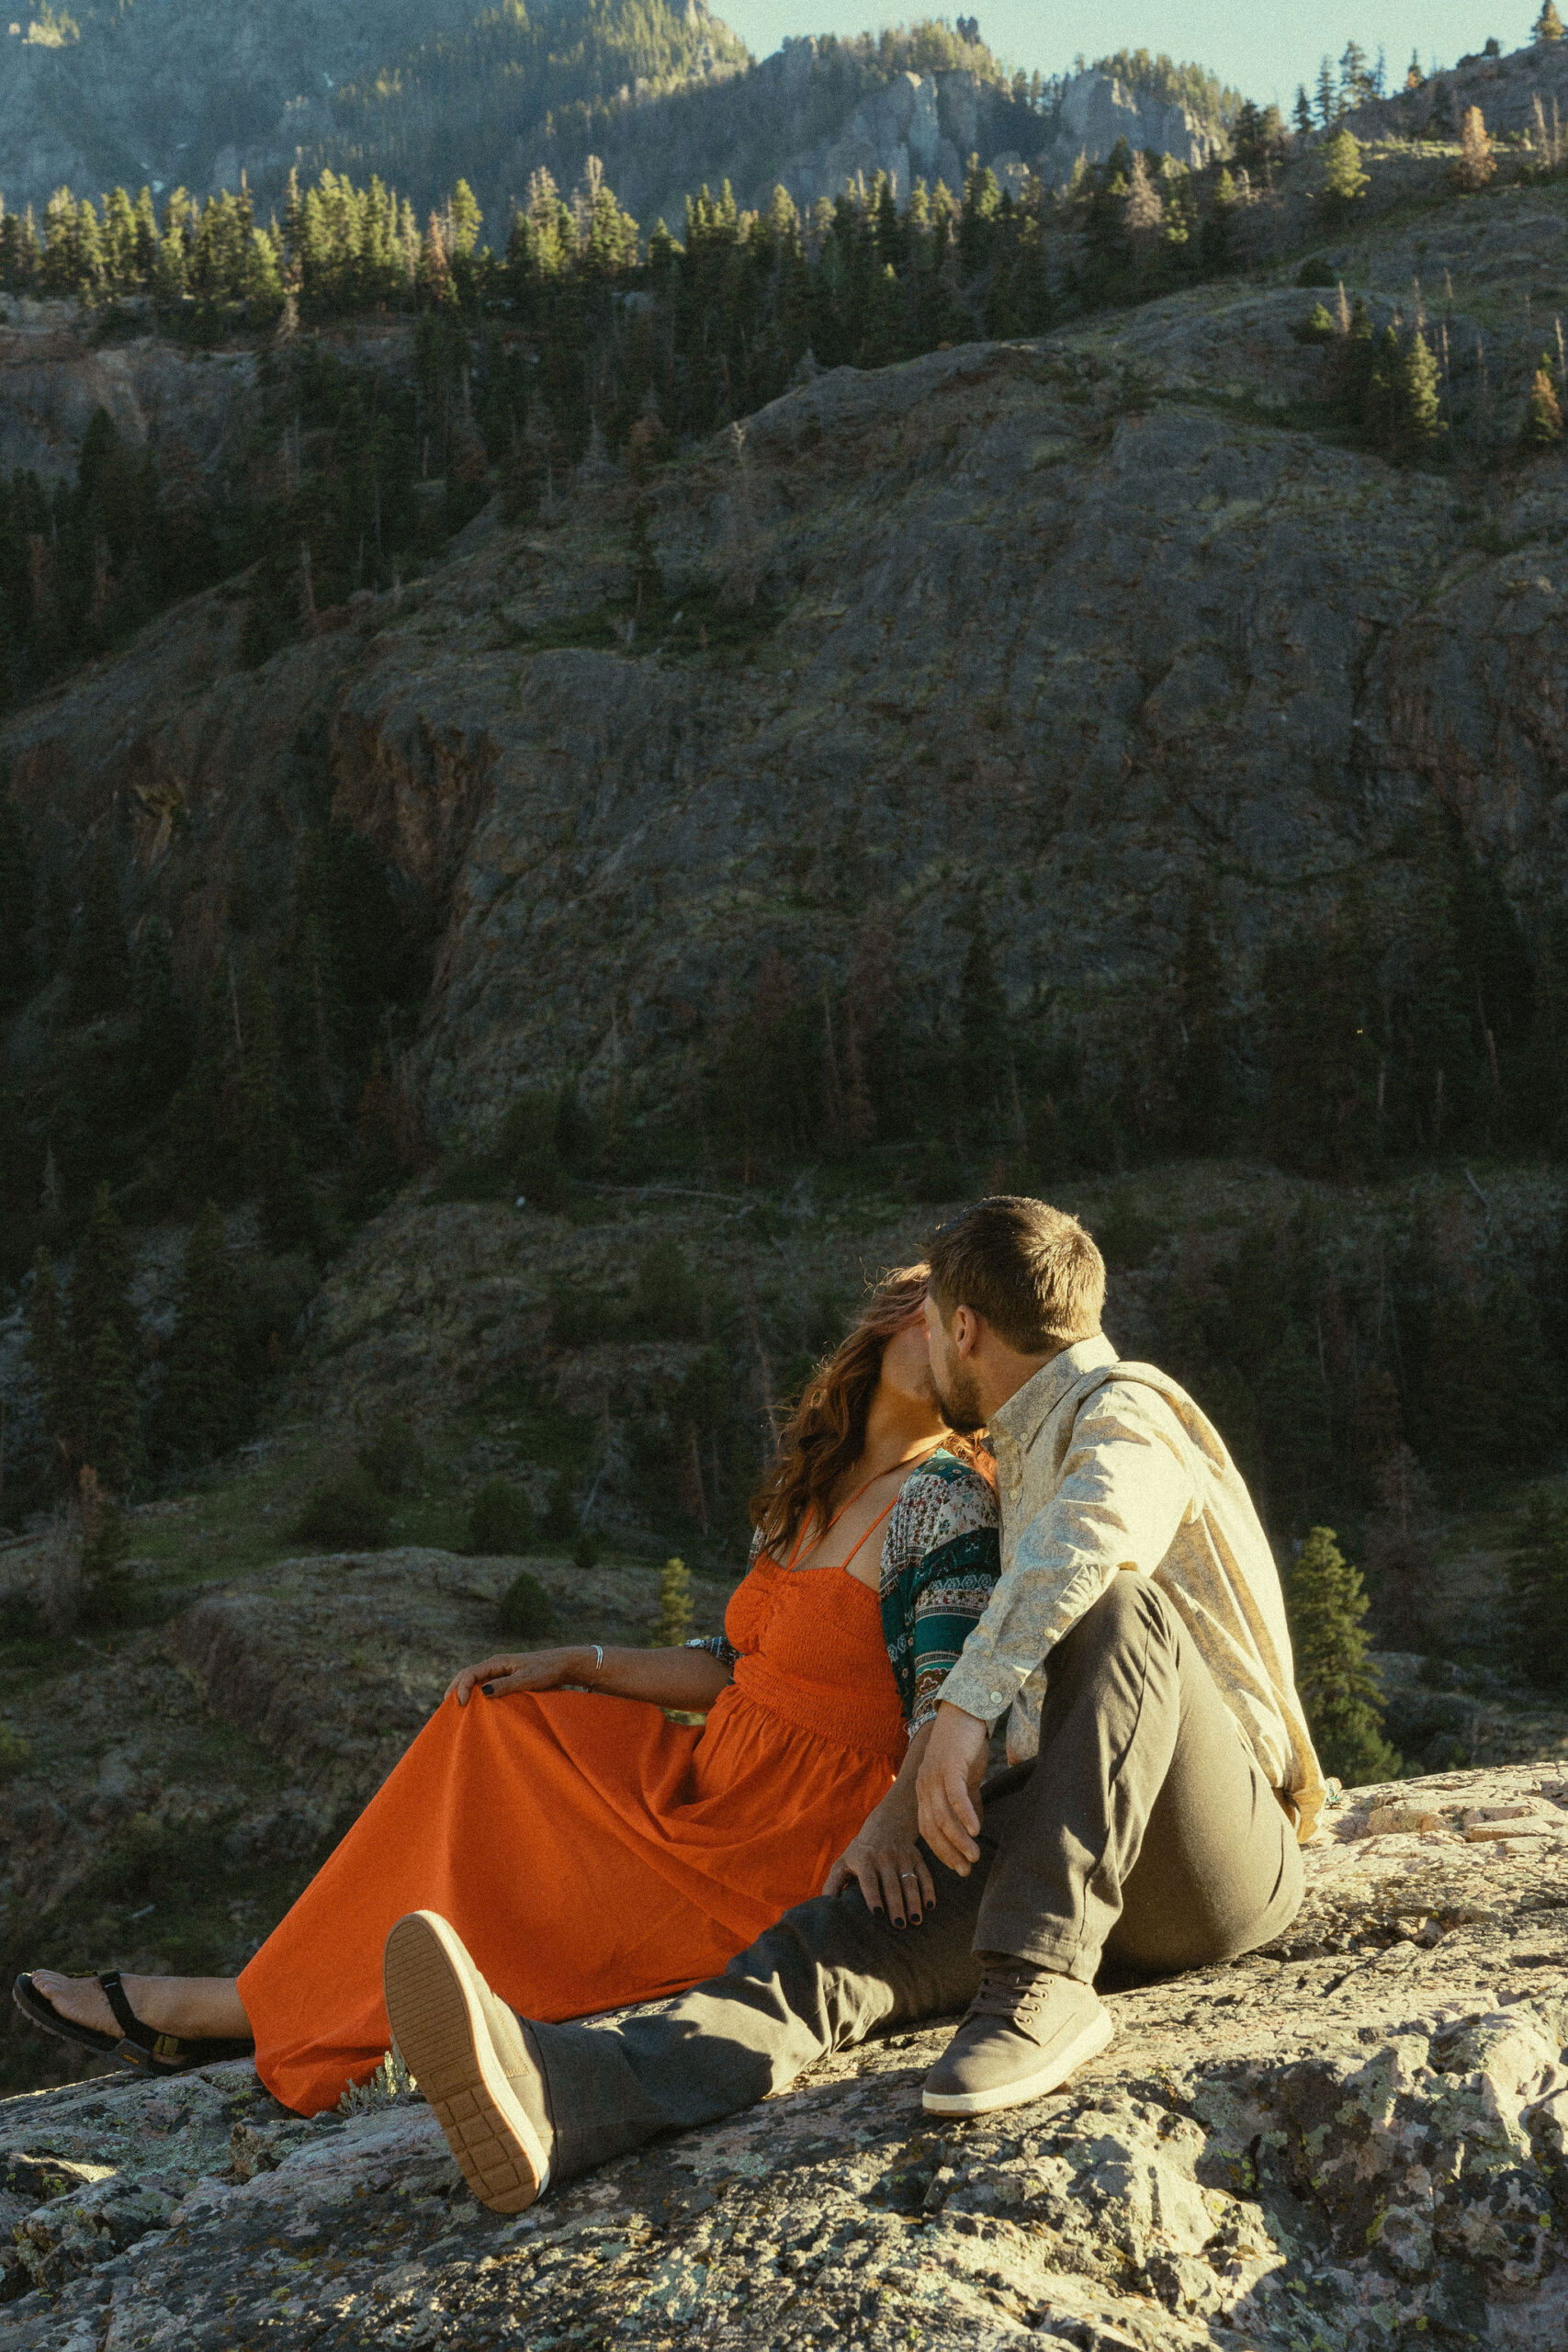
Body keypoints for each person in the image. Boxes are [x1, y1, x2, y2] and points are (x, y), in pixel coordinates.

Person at [381, 1194, 1323, 2214]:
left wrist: (961, 1713)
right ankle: (571, 2096)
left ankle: (1042, 1981)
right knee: (832, 1937)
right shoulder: (1002, 1463)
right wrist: (905, 1812)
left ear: (964, 1328)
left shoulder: (1126, 1407)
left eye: (932, 1322)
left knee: (1119, 1606)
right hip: (1074, 1837)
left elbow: (1095, 1540)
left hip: (1213, 1855)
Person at [15, 1264, 999, 2113]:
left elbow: (950, 1700)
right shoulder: (812, 1485)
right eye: (945, 1319)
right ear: (891, 1322)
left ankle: (243, 2007)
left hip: (784, 1836)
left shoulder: (945, 1497)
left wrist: (893, 1827)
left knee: (536, 1900)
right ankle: (285, 1989)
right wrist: (579, 1663)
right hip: (715, 1775)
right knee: (496, 1721)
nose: (962, 1347)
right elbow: (736, 1665)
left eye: (980, 1336)